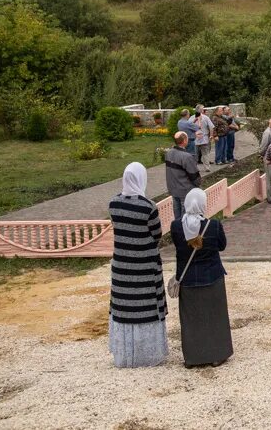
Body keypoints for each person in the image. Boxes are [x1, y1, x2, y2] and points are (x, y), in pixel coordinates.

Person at [107, 162, 168, 368]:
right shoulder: (148, 207)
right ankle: (148, 355)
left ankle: (125, 354)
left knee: (124, 307)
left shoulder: (113, 204)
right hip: (144, 265)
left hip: (122, 265)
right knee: (147, 307)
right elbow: (157, 234)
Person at [170, 187, 233, 367]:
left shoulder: (176, 227)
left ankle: (192, 357)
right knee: (215, 317)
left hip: (188, 279)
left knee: (191, 319)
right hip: (212, 277)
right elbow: (221, 246)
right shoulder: (212, 226)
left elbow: (179, 246)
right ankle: (216, 354)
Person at [165, 131, 200, 219]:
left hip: (173, 189)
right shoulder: (187, 157)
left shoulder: (168, 153)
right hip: (185, 191)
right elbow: (194, 176)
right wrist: (198, 185)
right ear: (184, 141)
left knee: (177, 216)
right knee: (186, 217)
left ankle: (177, 231)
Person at [193, 105, 214, 171]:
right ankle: (197, 167)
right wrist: (211, 135)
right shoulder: (193, 118)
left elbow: (211, 127)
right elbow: (211, 127)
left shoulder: (205, 117)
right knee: (198, 154)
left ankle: (206, 167)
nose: (203, 110)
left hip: (203, 137)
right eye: (202, 109)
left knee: (204, 153)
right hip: (196, 138)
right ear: (199, 110)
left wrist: (211, 135)